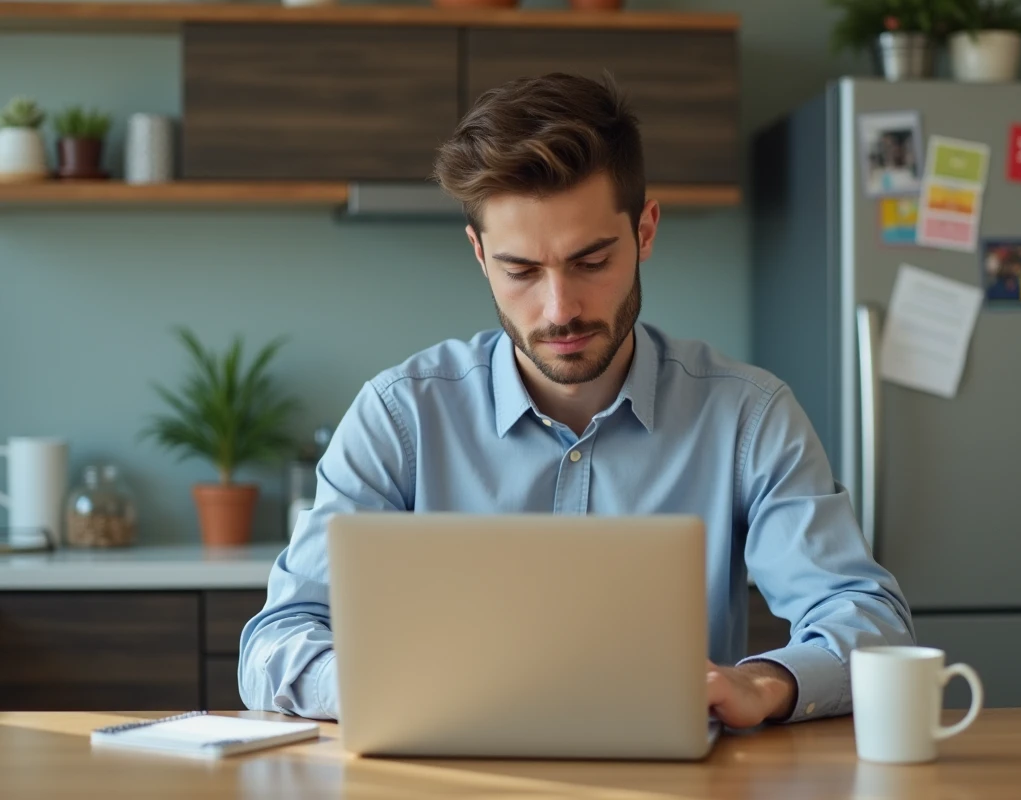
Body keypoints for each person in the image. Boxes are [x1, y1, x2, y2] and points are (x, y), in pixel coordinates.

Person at [239, 73, 914, 729]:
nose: (560, 309)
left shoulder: (747, 416)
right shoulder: (400, 417)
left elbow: (866, 620)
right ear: (479, 255)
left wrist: (762, 682)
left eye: (591, 262)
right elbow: (275, 643)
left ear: (645, 231)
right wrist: (408, 690)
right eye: (522, 271)